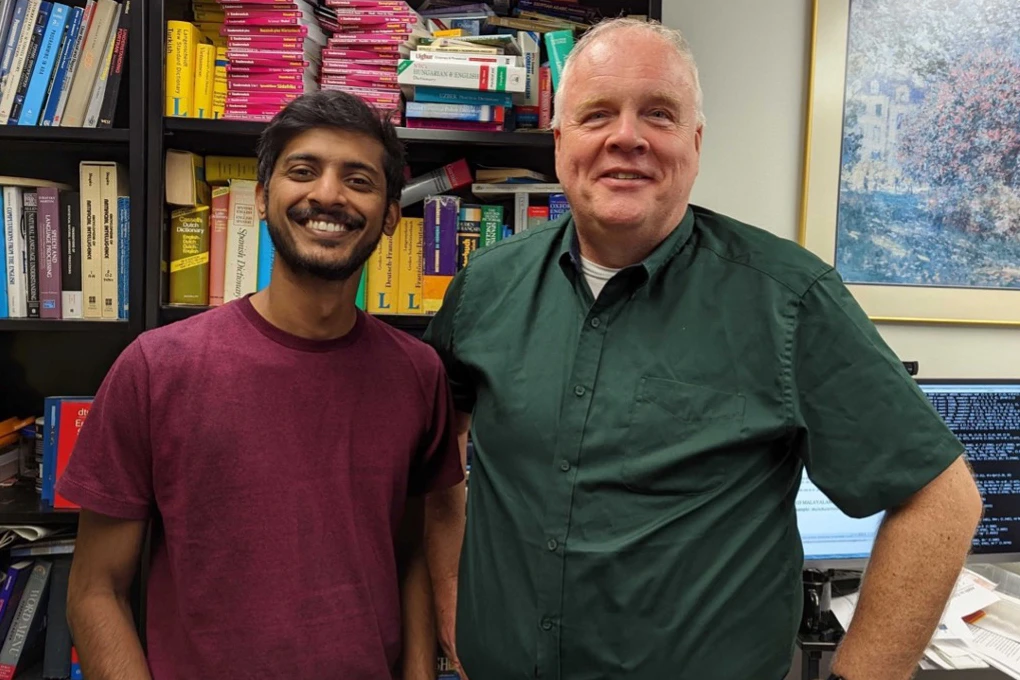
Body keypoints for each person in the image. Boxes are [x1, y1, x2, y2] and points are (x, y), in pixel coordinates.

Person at [422, 17, 983, 680]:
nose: (625, 137)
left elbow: (940, 500)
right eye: (597, 113)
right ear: (560, 139)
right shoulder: (486, 286)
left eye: (657, 113)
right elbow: (436, 461)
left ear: (695, 139)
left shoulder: (788, 299)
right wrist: (455, 613)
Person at [57, 90, 466, 680]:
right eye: (304, 171)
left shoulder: (417, 372)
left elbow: (408, 557)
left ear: (390, 215)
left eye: (358, 180)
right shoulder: (156, 368)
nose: (328, 195)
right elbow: (95, 590)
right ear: (261, 197)